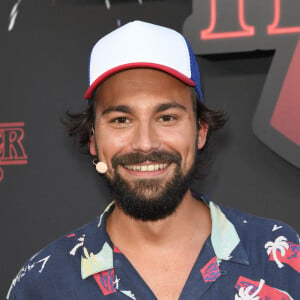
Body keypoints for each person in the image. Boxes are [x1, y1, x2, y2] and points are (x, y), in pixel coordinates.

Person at [7, 21, 299, 300]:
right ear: (93, 138)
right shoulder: (43, 283)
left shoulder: (280, 258)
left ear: (200, 130)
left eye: (167, 117)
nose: (145, 143)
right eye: (121, 119)